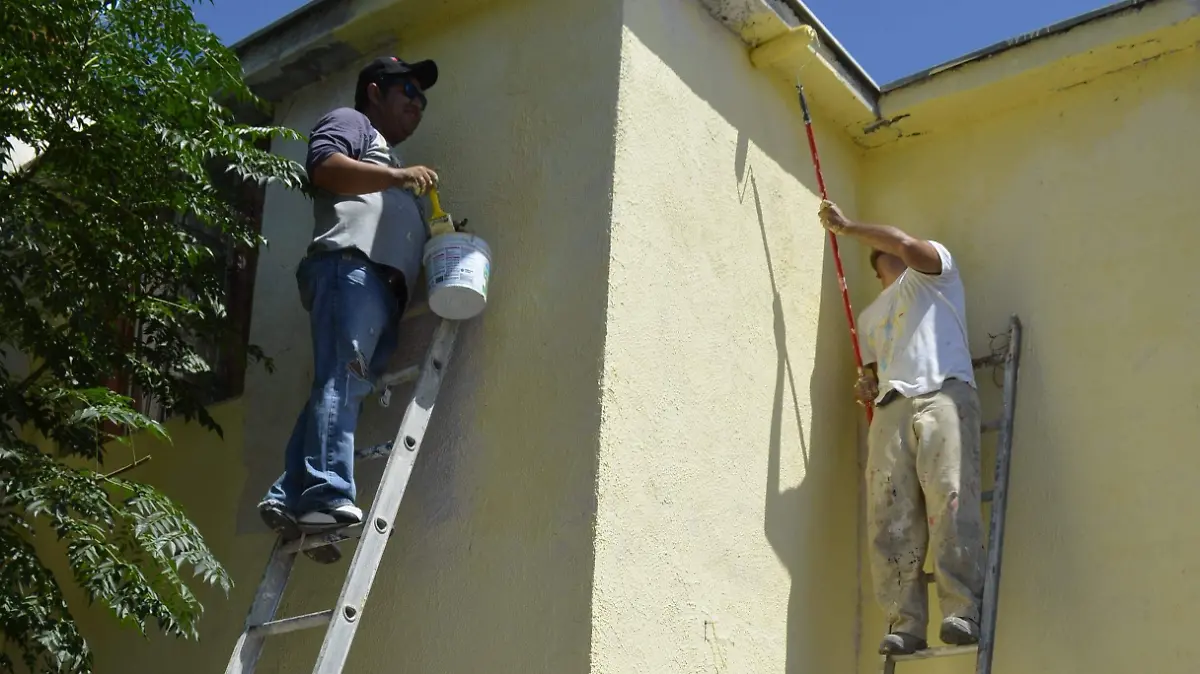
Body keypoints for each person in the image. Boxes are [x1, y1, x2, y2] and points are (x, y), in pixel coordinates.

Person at [256, 56, 441, 563]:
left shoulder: (385, 160)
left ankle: (288, 496)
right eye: (407, 90)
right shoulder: (352, 123)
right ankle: (324, 495)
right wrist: (398, 176)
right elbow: (324, 169)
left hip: (375, 287)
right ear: (375, 91)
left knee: (344, 384)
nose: (416, 103)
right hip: (349, 269)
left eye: (422, 99)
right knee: (343, 379)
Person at [817, 200, 985, 656]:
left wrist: (848, 228)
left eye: (888, 248)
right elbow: (875, 367)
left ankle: (963, 611)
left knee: (951, 500)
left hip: (943, 392)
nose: (891, 255)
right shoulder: (871, 316)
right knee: (889, 517)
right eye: (882, 255)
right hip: (892, 407)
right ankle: (905, 622)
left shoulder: (935, 275)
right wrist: (868, 381)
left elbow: (906, 243)